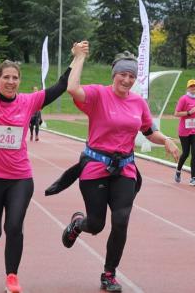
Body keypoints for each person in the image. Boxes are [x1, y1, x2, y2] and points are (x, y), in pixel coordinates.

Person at [0, 22, 86, 293]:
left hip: (19, 177)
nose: (11, 82)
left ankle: (12, 277)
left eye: (15, 78)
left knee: (14, 227)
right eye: (6, 77)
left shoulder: (29, 101)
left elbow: (60, 86)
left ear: (19, 81)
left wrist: (76, 57)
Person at [46, 46, 180, 292]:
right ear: (114, 75)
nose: (127, 80)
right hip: (95, 167)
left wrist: (167, 140)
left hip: (125, 170)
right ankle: (78, 224)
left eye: (131, 76)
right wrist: (80, 56)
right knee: (96, 225)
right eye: (123, 75)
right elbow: (73, 88)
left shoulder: (138, 102)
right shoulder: (98, 94)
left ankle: (109, 274)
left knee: (121, 220)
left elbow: (149, 132)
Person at [173, 79, 195, 186]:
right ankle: (178, 170)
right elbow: (176, 113)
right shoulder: (183, 99)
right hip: (184, 130)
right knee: (186, 153)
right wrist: (188, 112)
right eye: (191, 86)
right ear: (188, 88)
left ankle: (193, 178)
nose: (193, 87)